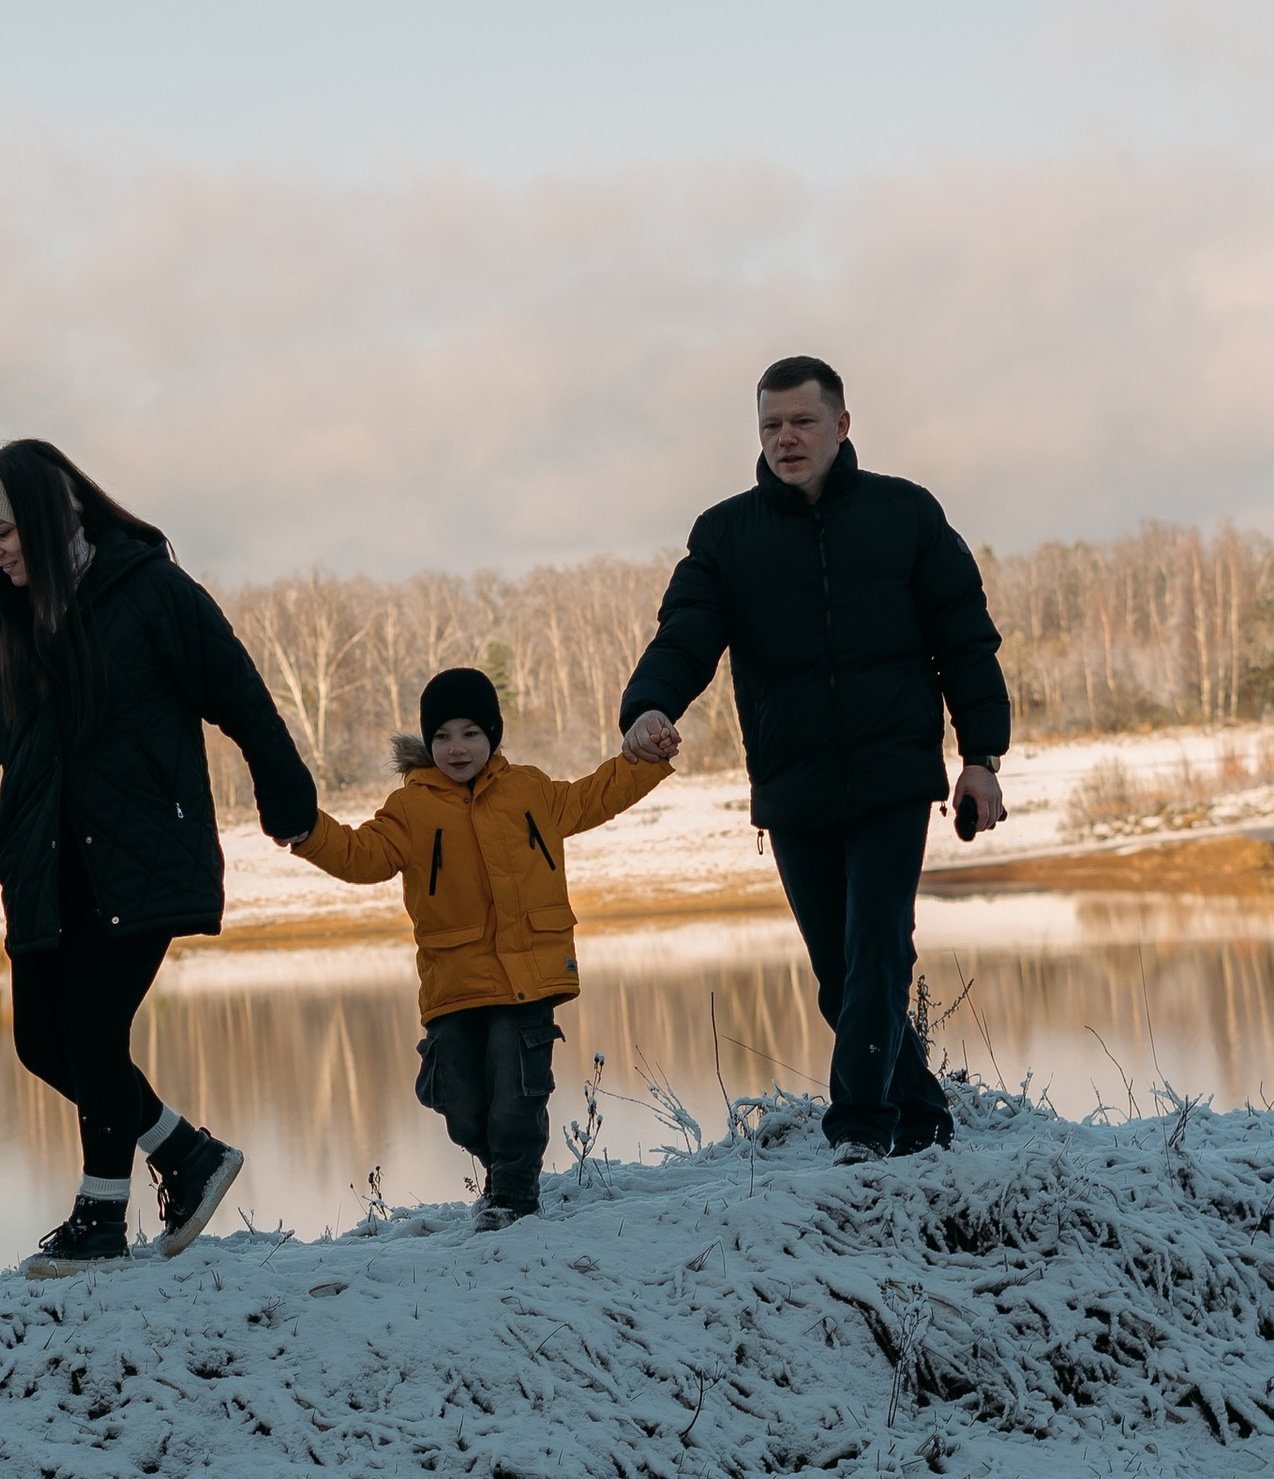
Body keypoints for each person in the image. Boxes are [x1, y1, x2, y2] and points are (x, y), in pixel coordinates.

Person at [0, 440, 318, 1276]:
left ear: (43, 515)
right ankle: (187, 1155)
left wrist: (287, 799)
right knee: (42, 1041)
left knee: (91, 1031)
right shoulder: (2, 626)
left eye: (2, 534)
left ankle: (101, 1221)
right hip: (46, 869)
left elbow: (239, 693)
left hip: (142, 855)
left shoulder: (150, 591)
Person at [620, 356, 1010, 1160]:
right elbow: (686, 633)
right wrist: (649, 705)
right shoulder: (725, 534)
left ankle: (858, 1136)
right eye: (770, 425)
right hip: (793, 786)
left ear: (841, 425)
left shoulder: (906, 514)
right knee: (840, 975)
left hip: (893, 776)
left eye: (801, 421)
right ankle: (924, 1117)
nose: (785, 439)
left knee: (878, 951)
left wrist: (981, 757)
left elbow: (964, 641)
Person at [291, 663, 673, 1229]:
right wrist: (306, 829)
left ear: (492, 734)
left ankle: (514, 1198)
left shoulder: (529, 790)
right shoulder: (412, 807)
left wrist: (645, 758)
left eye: (470, 732)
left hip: (527, 976)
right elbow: (360, 855)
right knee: (460, 1099)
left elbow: (596, 797)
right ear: (427, 743)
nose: (457, 747)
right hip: (454, 980)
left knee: (519, 1093)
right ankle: (503, 1170)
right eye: (442, 735)